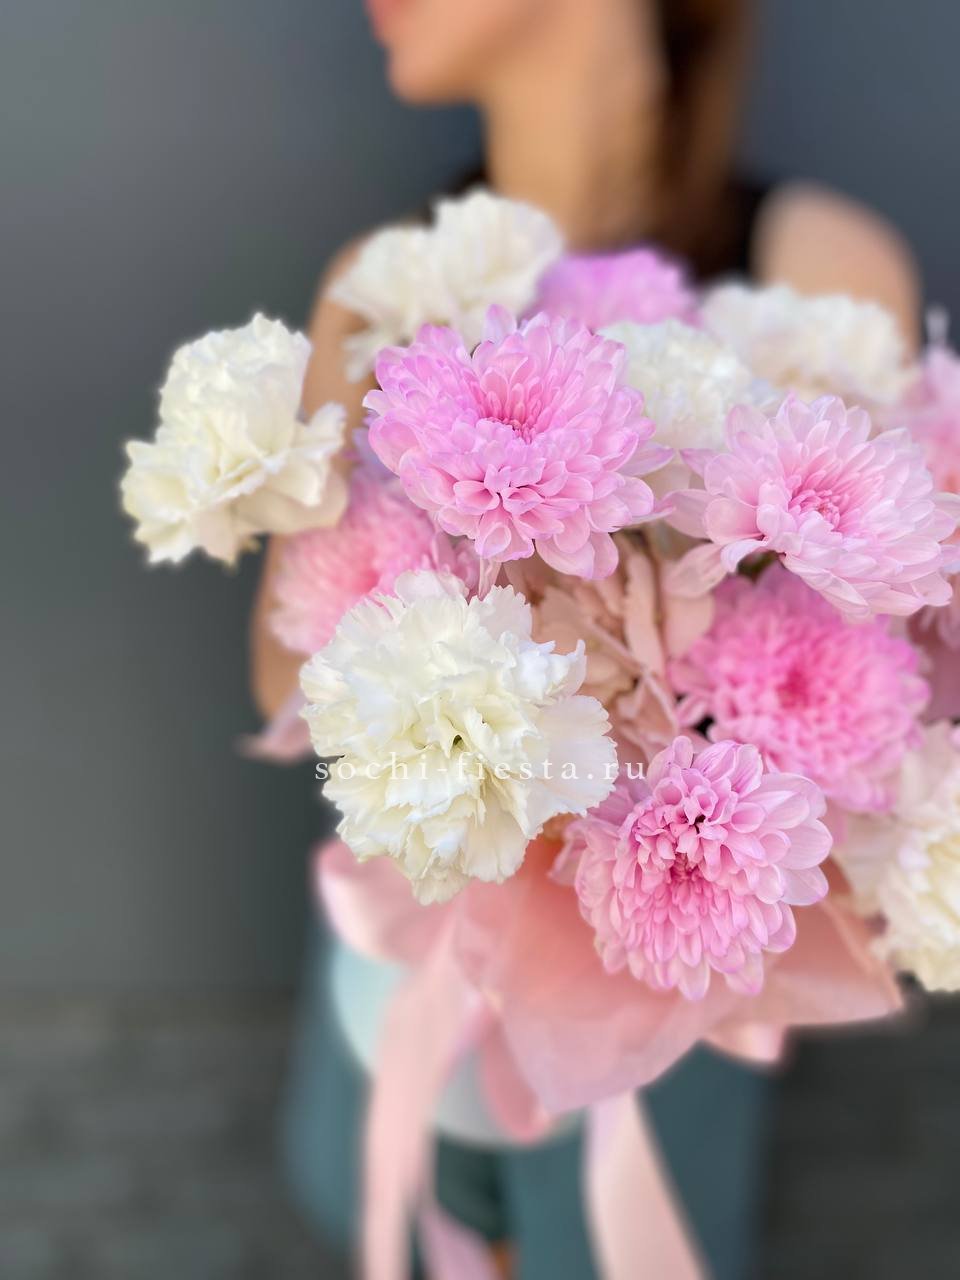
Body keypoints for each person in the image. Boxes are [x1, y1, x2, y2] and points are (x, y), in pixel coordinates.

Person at [251, 2, 919, 1275]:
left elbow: (882, 688)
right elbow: (281, 669)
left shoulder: (817, 269)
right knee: (378, 1207)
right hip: (411, 961)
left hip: (667, 986)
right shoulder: (385, 283)